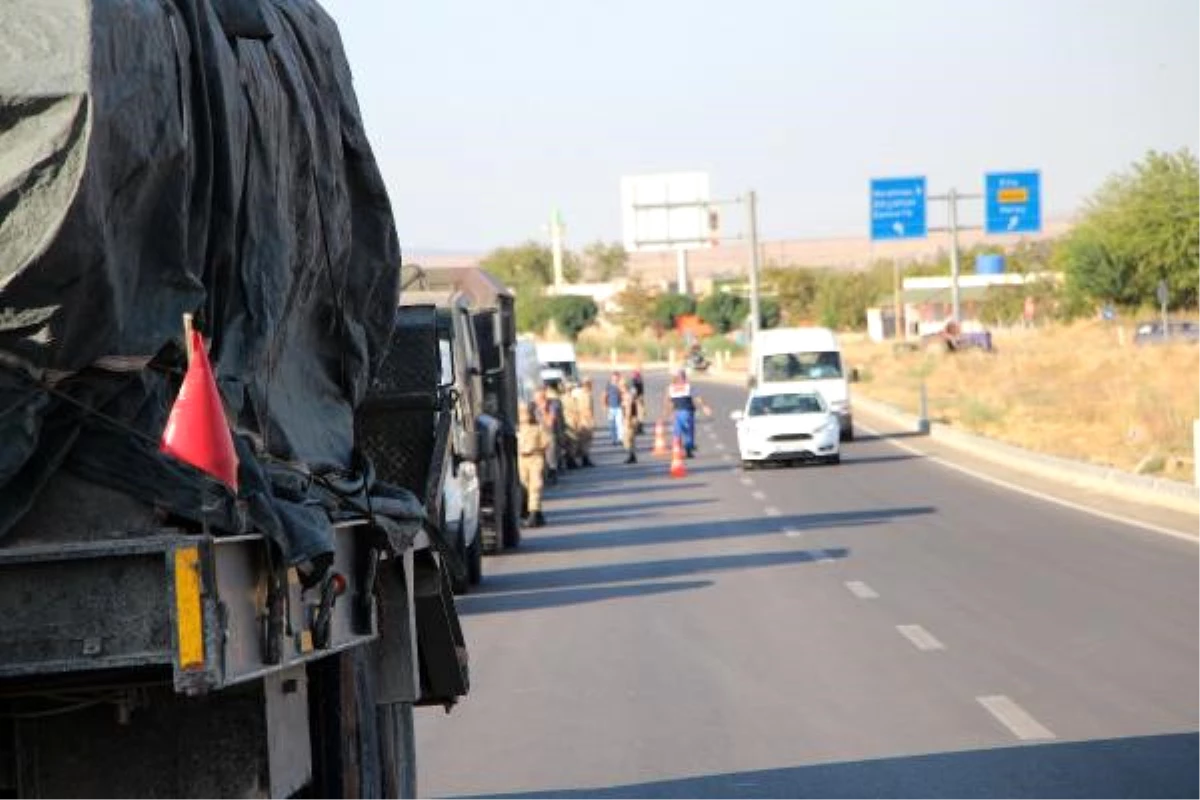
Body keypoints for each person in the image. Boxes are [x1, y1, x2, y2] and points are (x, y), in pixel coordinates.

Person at [662, 369, 711, 458]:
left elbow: (668, 401)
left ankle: (678, 450)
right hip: (687, 412)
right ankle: (688, 449)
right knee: (688, 431)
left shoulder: (670, 388)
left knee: (678, 431)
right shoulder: (688, 387)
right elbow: (697, 397)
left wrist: (667, 412)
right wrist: (704, 407)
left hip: (677, 412)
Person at [516, 402, 548, 527]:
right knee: (524, 486)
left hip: (535, 457)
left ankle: (534, 514)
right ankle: (531, 512)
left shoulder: (538, 427)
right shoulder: (518, 428)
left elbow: (545, 442)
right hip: (521, 459)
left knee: (535, 486)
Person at [570, 378, 595, 467]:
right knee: (586, 441)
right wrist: (591, 421)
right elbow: (588, 409)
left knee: (580, 440)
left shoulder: (576, 393)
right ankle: (585, 459)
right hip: (585, 420)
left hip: (578, 419)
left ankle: (580, 458)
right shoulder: (586, 395)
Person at [621, 377, 639, 464]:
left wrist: (627, 420)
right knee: (631, 438)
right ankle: (632, 455)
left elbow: (628, 409)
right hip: (632, 418)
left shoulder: (627, 395)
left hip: (630, 419)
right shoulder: (629, 394)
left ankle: (631, 455)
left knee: (627, 438)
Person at [604, 371, 624, 446]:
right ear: (612, 378)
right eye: (614, 378)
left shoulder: (621, 385)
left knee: (620, 424)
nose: (615, 379)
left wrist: (620, 386)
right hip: (611, 408)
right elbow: (605, 395)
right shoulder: (609, 386)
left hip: (619, 407)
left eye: (616, 378)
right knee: (612, 424)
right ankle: (613, 439)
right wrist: (605, 405)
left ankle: (620, 439)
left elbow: (623, 394)